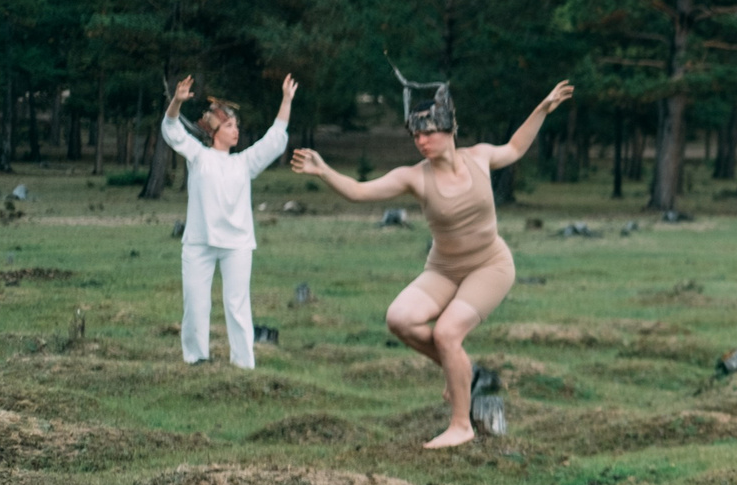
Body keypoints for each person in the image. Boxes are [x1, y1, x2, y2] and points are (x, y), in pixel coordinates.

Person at [290, 73, 573, 449]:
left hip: (490, 265)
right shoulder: (414, 177)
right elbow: (359, 192)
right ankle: (459, 370)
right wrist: (324, 170)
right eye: (415, 136)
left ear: (449, 129)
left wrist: (542, 108)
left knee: (447, 332)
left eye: (428, 133)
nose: (421, 141)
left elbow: (516, 147)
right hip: (443, 268)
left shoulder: (480, 157)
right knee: (400, 319)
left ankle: (462, 425)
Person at [161, 73, 297, 369]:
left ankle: (243, 363)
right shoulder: (198, 156)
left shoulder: (244, 163)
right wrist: (176, 102)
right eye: (230, 126)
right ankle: (196, 359)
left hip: (237, 244)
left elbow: (274, 140)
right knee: (196, 305)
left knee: (237, 305)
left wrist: (286, 100)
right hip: (199, 242)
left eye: (237, 125)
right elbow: (171, 130)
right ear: (214, 130)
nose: (237, 131)